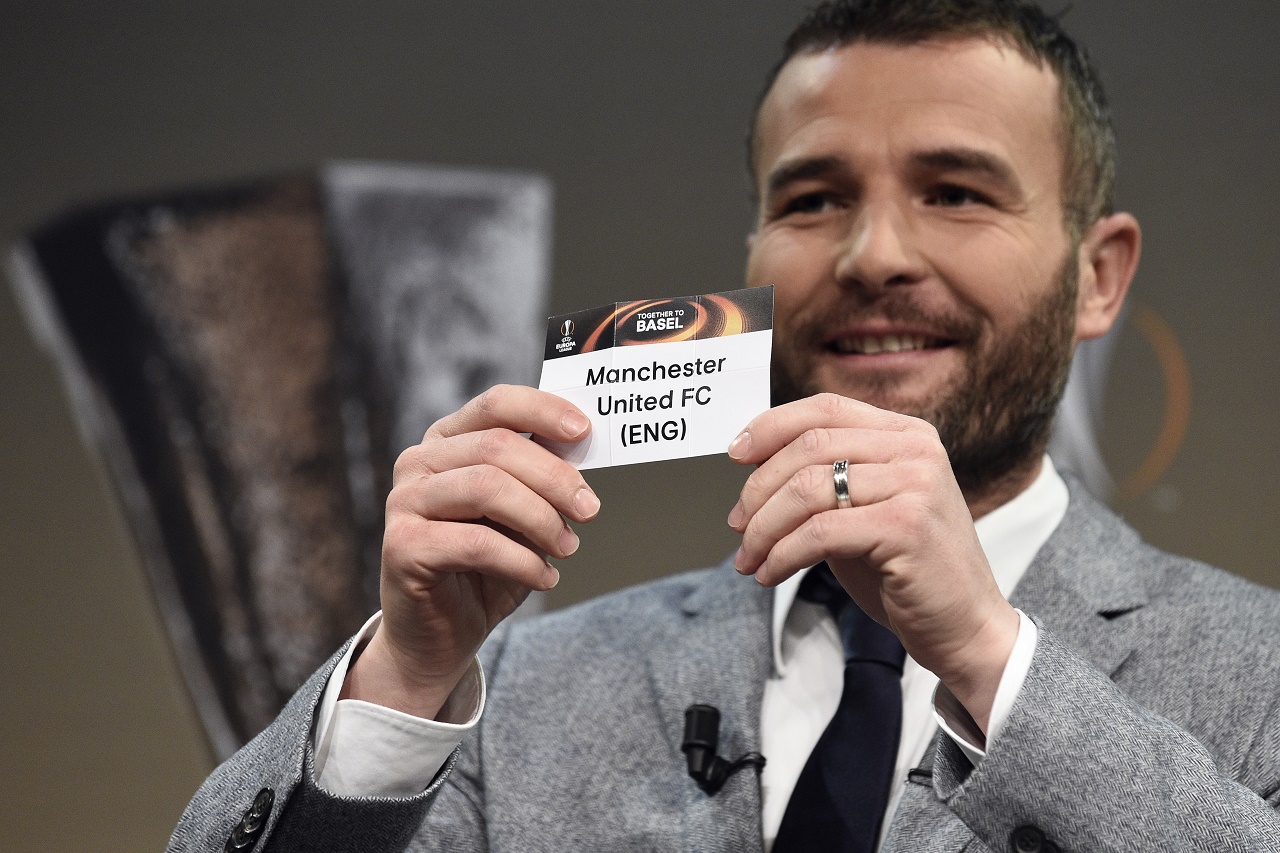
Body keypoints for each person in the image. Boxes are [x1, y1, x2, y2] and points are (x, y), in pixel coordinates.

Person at [170, 2, 1280, 851]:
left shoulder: (1257, 672)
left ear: (1097, 277)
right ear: (748, 260)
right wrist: (403, 681)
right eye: (811, 200)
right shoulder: (521, 685)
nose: (871, 255)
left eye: (955, 191)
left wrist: (991, 656)